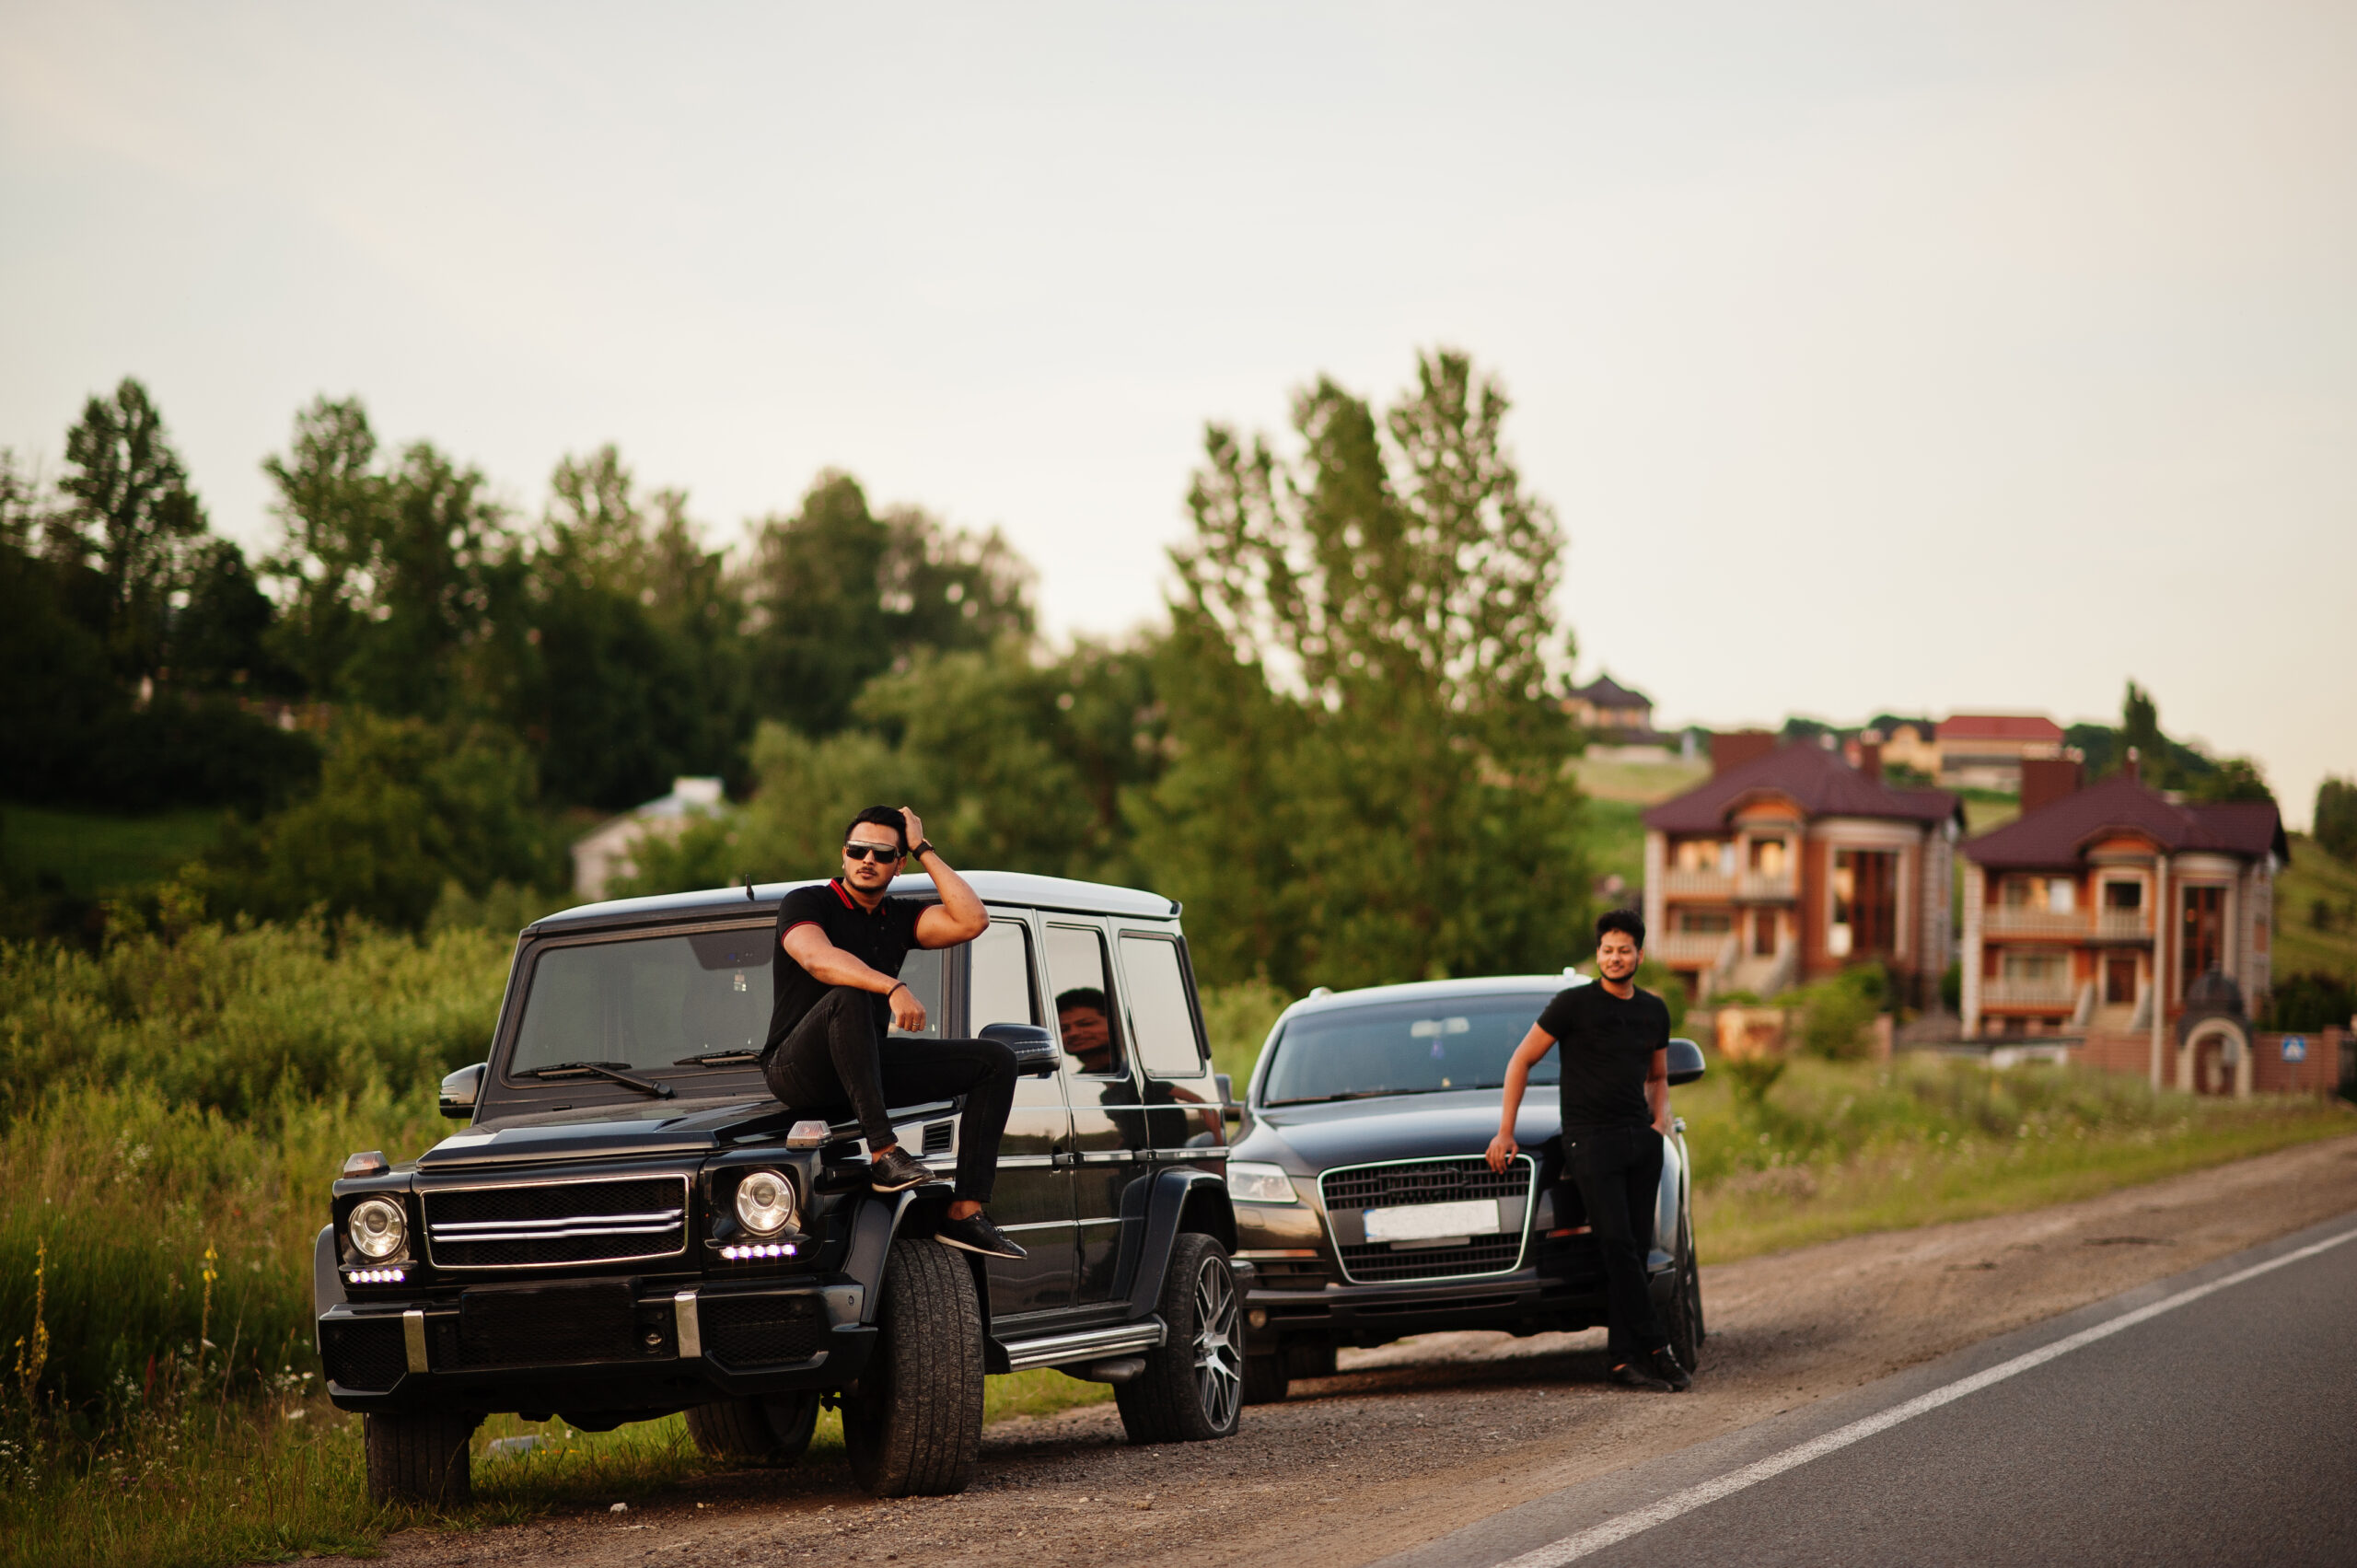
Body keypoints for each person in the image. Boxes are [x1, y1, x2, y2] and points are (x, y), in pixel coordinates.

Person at [760, 805, 1025, 1260]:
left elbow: (971, 920)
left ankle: (965, 1213)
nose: (867, 860)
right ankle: (884, 1153)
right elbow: (817, 960)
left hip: (862, 1066)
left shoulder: (899, 916)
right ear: (842, 856)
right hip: (796, 1068)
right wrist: (893, 986)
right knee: (849, 994)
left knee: (996, 1061)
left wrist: (924, 847)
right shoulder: (807, 902)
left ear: (899, 864)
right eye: (856, 850)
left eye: (882, 854)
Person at [1486, 908, 1690, 1392]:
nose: (1614, 958)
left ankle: (1622, 1361)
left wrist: (1659, 1121)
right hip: (1589, 1140)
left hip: (1639, 1141)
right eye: (1606, 950)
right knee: (1617, 1244)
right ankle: (1659, 1348)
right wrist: (1505, 1131)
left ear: (1639, 954)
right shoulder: (1571, 1005)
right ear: (1598, 953)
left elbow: (1658, 1075)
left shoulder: (1653, 1010)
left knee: (1635, 1251)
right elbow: (1521, 1060)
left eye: (1624, 950)